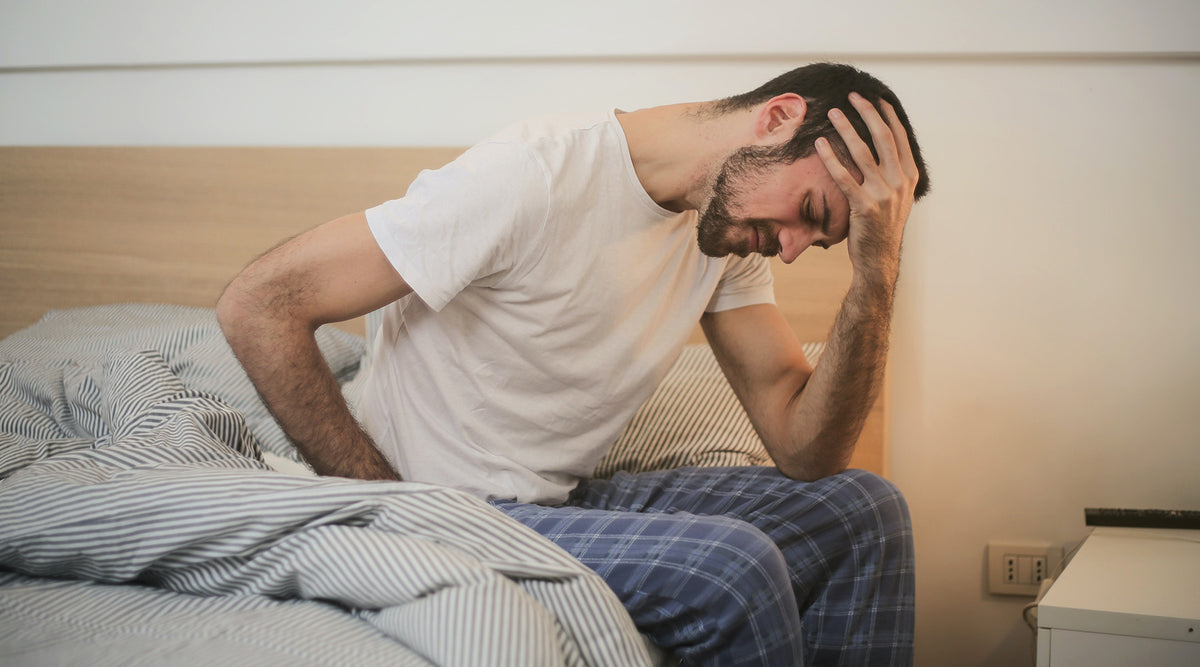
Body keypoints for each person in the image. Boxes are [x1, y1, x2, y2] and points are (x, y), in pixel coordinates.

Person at [217, 62, 930, 665]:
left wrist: (875, 273)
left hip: (555, 501)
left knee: (865, 510)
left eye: (823, 238)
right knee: (734, 570)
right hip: (452, 504)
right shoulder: (533, 176)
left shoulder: (724, 238)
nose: (796, 246)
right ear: (778, 117)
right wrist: (391, 503)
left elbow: (805, 447)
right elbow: (259, 303)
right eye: (809, 208)